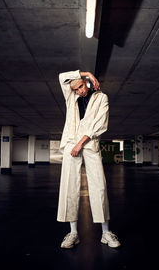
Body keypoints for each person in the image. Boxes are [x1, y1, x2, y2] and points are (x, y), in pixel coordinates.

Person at [57, 70, 121, 249]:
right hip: (71, 144)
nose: (79, 91)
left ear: (87, 84)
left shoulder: (101, 98)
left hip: (90, 143)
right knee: (69, 186)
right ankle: (73, 233)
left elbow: (100, 125)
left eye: (81, 87)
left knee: (99, 186)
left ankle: (106, 233)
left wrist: (81, 143)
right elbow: (62, 77)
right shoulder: (70, 97)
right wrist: (87, 73)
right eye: (76, 89)